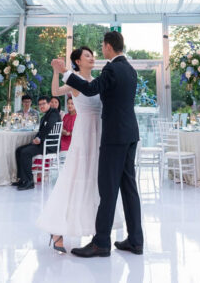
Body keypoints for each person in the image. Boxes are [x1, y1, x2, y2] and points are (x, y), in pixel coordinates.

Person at [51, 30, 144, 258]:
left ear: (108, 47)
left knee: (107, 189)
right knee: (129, 188)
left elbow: (92, 89)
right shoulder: (130, 70)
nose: (98, 52)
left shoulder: (111, 69)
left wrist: (65, 72)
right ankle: (135, 240)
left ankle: (101, 243)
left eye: (101, 47)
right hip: (130, 134)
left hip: (113, 137)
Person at [37, 47, 121, 253]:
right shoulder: (74, 80)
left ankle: (94, 229)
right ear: (77, 61)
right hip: (84, 133)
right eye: (87, 56)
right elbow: (55, 92)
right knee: (77, 177)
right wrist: (56, 71)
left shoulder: (98, 81)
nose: (92, 58)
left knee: (96, 181)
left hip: (100, 132)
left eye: (92, 55)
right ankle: (57, 229)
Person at [13, 96, 60, 191]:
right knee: (19, 150)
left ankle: (29, 181)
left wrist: (39, 138)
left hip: (49, 145)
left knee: (25, 152)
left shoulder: (54, 113)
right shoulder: (45, 116)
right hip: (42, 144)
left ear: (49, 104)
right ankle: (22, 179)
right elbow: (41, 130)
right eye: (40, 104)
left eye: (43, 104)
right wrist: (35, 139)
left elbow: (49, 126)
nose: (41, 106)